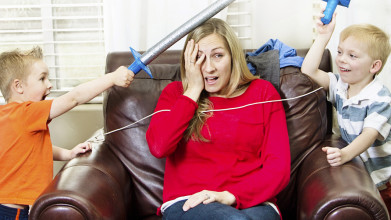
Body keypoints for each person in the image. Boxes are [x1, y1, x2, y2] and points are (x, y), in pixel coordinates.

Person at [146, 18, 290, 220]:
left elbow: (278, 168)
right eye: (198, 58)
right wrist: (193, 90)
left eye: (218, 56)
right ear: (188, 62)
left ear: (233, 57)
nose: (209, 68)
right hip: (190, 202)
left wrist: (229, 196)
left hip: (253, 201)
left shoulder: (263, 93)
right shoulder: (175, 94)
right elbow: (159, 147)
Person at [0, 46, 134, 219]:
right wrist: (112, 78)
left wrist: (68, 153)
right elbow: (74, 97)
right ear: (18, 86)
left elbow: (32, 149)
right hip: (12, 212)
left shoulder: (8, 115)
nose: (49, 85)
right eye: (42, 79)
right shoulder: (26, 112)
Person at [301, 11, 391, 213]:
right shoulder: (339, 85)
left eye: (352, 56)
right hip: (360, 172)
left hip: (382, 179)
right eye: (340, 52)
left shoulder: (380, 97)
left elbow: (369, 134)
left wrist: (345, 154)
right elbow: (308, 70)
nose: (342, 60)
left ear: (374, 66)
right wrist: (323, 36)